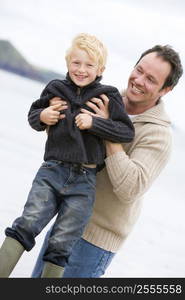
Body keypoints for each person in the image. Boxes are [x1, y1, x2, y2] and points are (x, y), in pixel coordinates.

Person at [31, 44, 183, 278]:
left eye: (151, 79)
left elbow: (130, 188)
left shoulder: (159, 136)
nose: (139, 80)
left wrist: (106, 129)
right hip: (65, 222)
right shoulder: (102, 98)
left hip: (95, 241)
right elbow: (64, 145)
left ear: (166, 89)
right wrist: (51, 112)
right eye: (139, 70)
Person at [0, 33, 134, 278]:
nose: (81, 69)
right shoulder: (55, 87)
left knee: (62, 243)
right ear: (67, 62)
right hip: (52, 171)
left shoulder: (109, 95)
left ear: (101, 69)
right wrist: (43, 116)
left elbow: (126, 132)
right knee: (27, 224)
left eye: (89, 64)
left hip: (84, 181)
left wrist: (95, 123)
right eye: (76, 62)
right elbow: (34, 114)